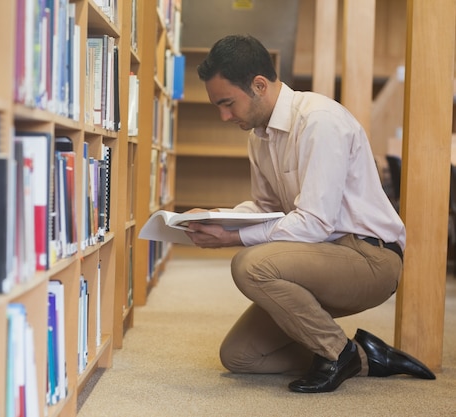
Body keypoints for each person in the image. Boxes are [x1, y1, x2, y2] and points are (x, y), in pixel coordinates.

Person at [186, 34, 436, 393]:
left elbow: (315, 223)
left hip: (369, 257)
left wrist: (233, 238)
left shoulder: (320, 121)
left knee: (250, 264)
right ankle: (362, 355)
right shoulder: (258, 135)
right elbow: (267, 209)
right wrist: (216, 218)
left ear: (258, 85)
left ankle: (336, 353)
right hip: (318, 255)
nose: (224, 116)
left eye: (227, 103)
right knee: (240, 356)